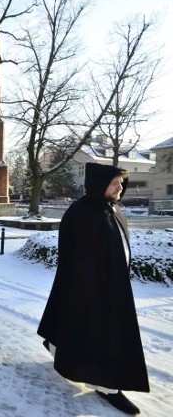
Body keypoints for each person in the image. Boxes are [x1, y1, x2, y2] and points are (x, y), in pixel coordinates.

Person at [37, 163, 149, 415]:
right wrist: (90, 288)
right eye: (115, 183)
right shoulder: (81, 212)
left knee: (88, 333)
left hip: (114, 288)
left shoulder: (113, 208)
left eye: (121, 182)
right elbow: (73, 256)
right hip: (91, 290)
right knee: (102, 336)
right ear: (99, 185)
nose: (121, 187)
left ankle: (58, 345)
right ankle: (109, 386)